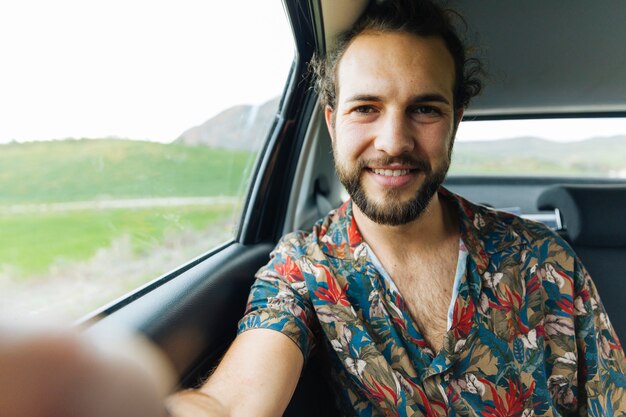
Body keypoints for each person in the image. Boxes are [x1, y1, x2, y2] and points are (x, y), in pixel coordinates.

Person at [1, 1, 624, 416]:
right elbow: (236, 402)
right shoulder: (305, 268)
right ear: (332, 122)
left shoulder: (543, 260)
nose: (393, 141)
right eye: (365, 108)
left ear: (456, 120)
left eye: (425, 109)